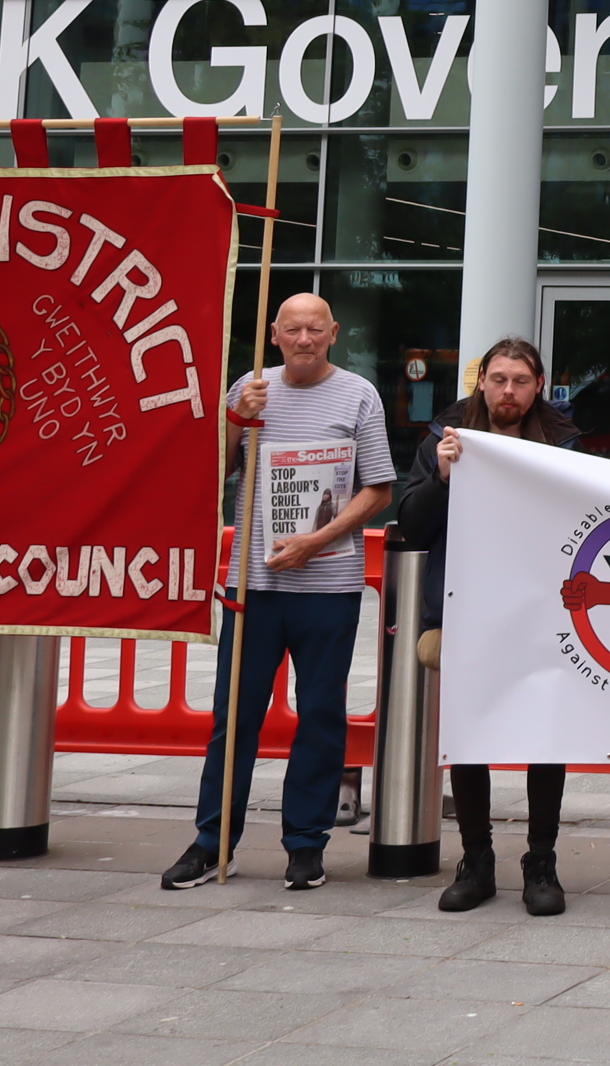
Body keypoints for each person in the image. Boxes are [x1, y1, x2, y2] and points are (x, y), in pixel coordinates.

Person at [162, 294, 395, 892]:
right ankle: (213, 841)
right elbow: (210, 474)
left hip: (327, 584)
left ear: (334, 333)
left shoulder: (359, 395)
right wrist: (237, 420)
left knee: (320, 715)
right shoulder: (250, 386)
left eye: (315, 329)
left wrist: (316, 541)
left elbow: (379, 489)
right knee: (233, 715)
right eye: (292, 329)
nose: (304, 339)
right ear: (274, 334)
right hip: (254, 582)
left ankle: (305, 844)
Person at [397, 338, 577, 916]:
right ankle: (476, 859)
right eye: (498, 379)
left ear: (539, 384)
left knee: (547, 736)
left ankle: (541, 861)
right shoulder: (445, 438)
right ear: (481, 382)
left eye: (520, 381)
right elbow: (413, 527)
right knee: (469, 737)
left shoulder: (564, 442)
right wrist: (442, 479)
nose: (507, 391)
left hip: (543, 610)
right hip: (466, 607)